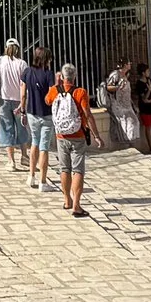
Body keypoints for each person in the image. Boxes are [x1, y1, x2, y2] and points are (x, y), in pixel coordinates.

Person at [49, 61, 96, 216]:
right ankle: (76, 205)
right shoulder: (80, 92)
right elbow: (87, 114)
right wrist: (96, 135)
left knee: (64, 168)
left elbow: (47, 100)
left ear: (62, 77)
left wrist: (57, 84)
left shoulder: (55, 91)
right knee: (78, 170)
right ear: (74, 77)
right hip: (78, 135)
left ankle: (67, 200)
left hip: (61, 135)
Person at [0, 37, 31, 170]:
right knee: (22, 127)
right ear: (18, 49)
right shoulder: (22, 64)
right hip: (19, 100)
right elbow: (25, 83)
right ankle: (24, 156)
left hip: (4, 100)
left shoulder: (0, 61)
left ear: (6, 48)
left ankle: (11, 161)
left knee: (7, 129)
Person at [21, 43, 58, 191]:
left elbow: (23, 94)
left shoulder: (27, 72)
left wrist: (22, 110)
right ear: (46, 59)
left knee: (34, 143)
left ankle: (31, 176)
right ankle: (43, 181)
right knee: (44, 147)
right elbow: (51, 95)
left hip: (32, 112)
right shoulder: (48, 74)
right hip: (46, 113)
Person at [103, 58, 140, 150]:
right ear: (125, 65)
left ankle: (131, 144)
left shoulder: (126, 75)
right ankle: (127, 145)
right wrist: (118, 87)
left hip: (127, 104)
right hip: (118, 105)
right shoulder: (116, 74)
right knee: (125, 123)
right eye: (129, 63)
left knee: (134, 122)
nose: (130, 64)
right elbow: (108, 87)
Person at [134, 61, 151, 155]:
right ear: (143, 73)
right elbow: (144, 98)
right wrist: (149, 91)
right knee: (148, 127)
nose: (149, 73)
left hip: (150, 106)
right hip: (144, 108)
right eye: (147, 71)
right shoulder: (139, 84)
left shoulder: (149, 80)